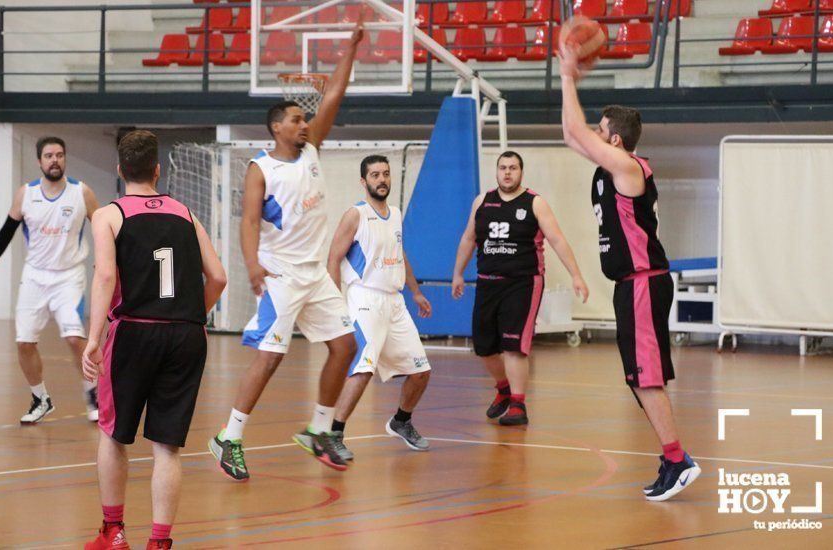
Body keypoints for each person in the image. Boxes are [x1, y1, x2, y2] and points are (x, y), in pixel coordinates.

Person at [209, 13, 367, 478]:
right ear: (277, 128)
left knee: (344, 346)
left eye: (304, 118)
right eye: (296, 119)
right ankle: (228, 437)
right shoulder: (262, 170)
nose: (304, 123)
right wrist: (253, 265)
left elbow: (333, 95)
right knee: (271, 357)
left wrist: (351, 49)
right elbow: (249, 222)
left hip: (314, 273)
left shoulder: (312, 147)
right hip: (280, 274)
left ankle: (318, 429)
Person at [558, 43, 701, 501]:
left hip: (643, 283)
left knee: (647, 378)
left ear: (614, 140)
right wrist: (567, 81)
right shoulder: (608, 166)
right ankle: (671, 456)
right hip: (629, 286)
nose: (593, 137)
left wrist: (567, 75)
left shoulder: (627, 169)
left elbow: (579, 134)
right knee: (637, 378)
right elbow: (570, 135)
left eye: (602, 131)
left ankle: (678, 459)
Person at [82, 130, 226, 550]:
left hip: (135, 331)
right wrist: (191, 314)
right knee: (167, 446)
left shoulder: (108, 215)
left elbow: (105, 276)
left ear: (119, 170)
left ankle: (114, 532)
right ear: (157, 169)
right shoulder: (185, 212)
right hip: (186, 335)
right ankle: (160, 542)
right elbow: (218, 276)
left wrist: (94, 337)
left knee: (113, 435)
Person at [452, 151, 589, 426]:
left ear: (521, 172)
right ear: (497, 171)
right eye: (502, 168)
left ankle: (518, 404)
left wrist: (576, 275)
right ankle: (503, 389)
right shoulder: (482, 201)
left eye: (512, 168)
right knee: (484, 347)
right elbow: (469, 237)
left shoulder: (535, 203)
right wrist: (457, 273)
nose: (507, 173)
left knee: (513, 346)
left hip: (523, 283)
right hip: (487, 282)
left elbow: (558, 240)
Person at [0, 137, 100, 423]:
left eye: (59, 154)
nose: (54, 160)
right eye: (48, 155)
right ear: (39, 161)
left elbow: (103, 226)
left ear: (65, 158)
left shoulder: (81, 192)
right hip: (34, 276)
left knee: (73, 338)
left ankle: (93, 394)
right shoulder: (26, 194)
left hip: (69, 276)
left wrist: (110, 259)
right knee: (24, 342)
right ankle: (40, 398)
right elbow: (6, 232)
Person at [325, 155, 433, 461]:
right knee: (363, 368)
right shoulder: (355, 215)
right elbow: (333, 258)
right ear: (364, 181)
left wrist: (415, 291)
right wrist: (334, 305)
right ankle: (334, 433)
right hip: (365, 299)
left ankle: (401, 421)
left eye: (385, 174)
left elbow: (400, 255)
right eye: (375, 175)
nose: (382, 179)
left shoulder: (396, 214)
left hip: (395, 301)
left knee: (421, 372)